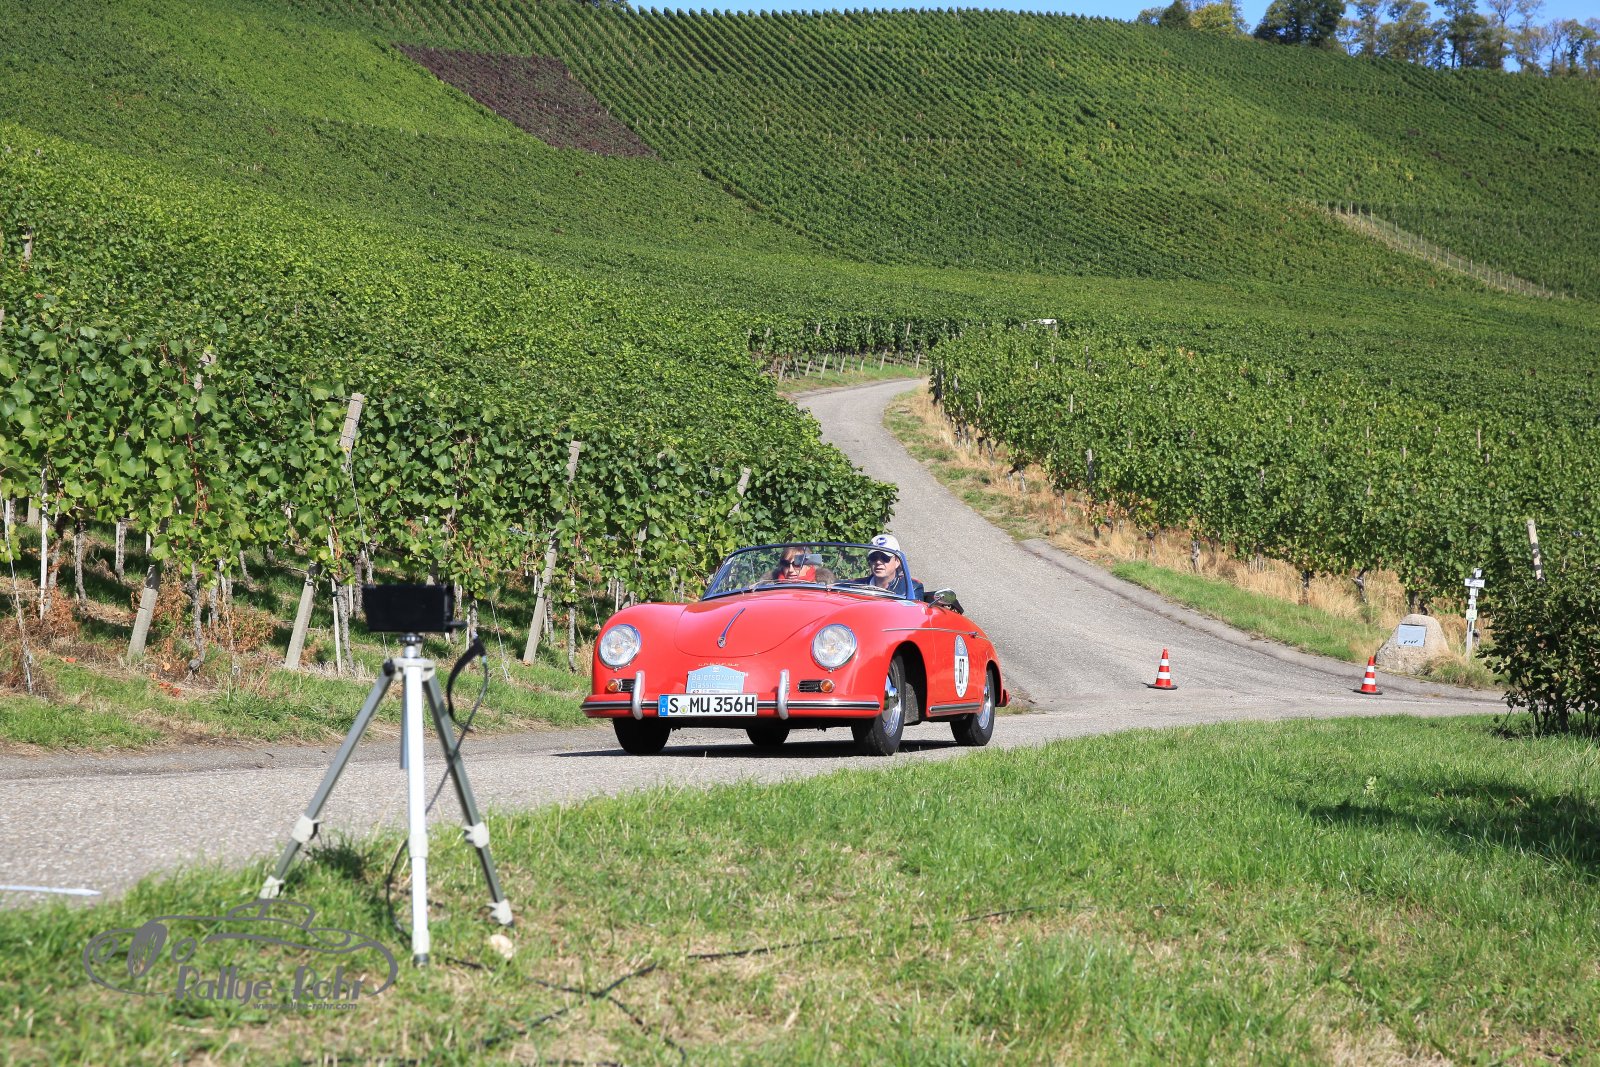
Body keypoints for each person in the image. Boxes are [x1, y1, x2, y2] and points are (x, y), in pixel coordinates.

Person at [851, 534, 924, 600]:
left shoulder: (911, 588)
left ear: (897, 561)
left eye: (885, 557)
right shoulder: (855, 586)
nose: (878, 562)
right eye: (874, 557)